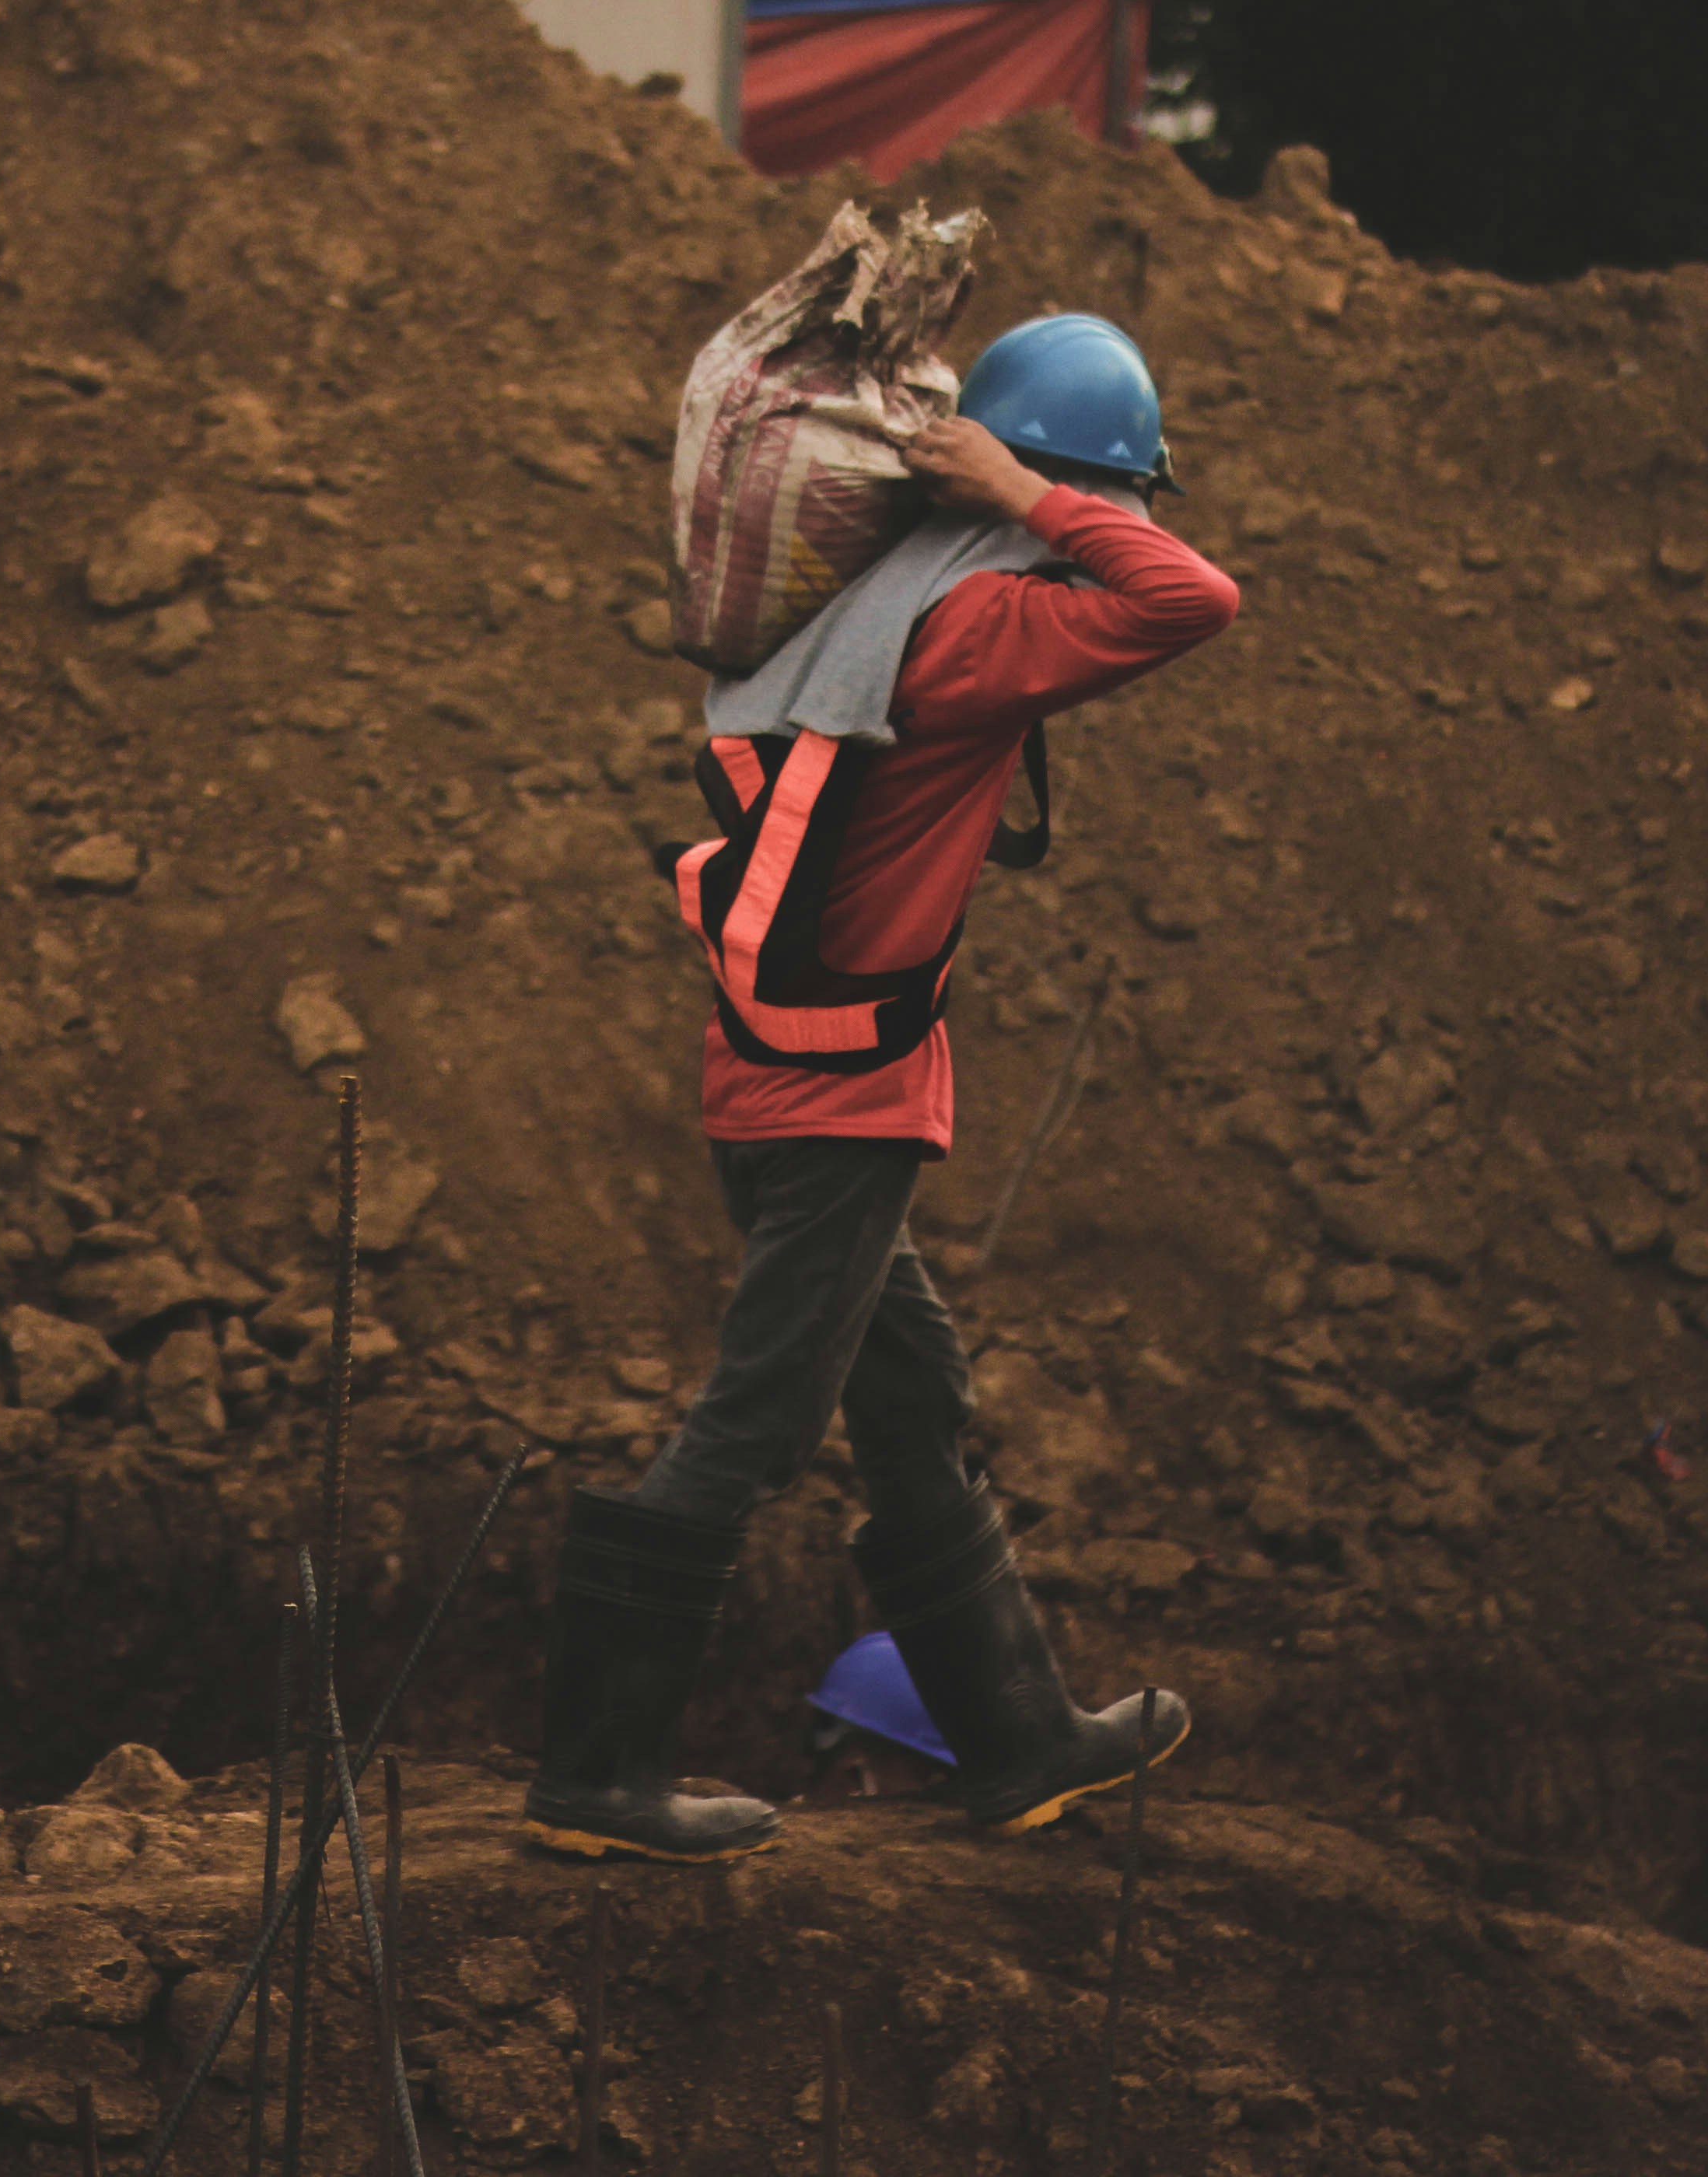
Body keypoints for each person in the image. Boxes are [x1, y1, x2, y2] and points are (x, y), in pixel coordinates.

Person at [526, 313, 1241, 1863]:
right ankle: (596, 1773)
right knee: (757, 1423)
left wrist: (1014, 492)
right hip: (839, 1103)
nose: (1112, 528)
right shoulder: (981, 626)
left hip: (778, 1072)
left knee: (914, 1402)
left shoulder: (875, 601)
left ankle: (1019, 1741)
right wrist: (1043, 499)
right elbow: (1194, 596)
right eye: (1113, 498)